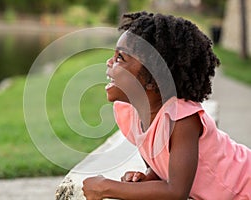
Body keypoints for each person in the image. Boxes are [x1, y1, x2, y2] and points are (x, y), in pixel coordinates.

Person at [81, 11, 251, 200]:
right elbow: (164, 164)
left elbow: (176, 192)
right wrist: (148, 177)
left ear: (153, 80)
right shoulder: (131, 114)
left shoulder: (181, 119)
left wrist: (106, 187)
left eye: (121, 58)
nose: (109, 62)